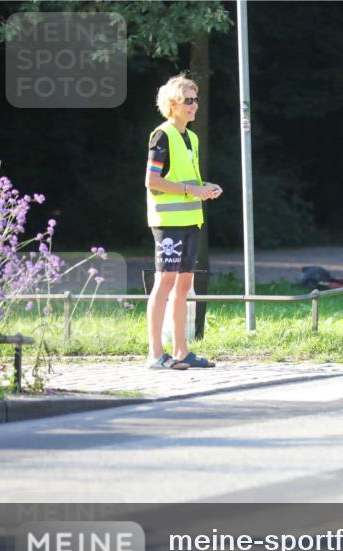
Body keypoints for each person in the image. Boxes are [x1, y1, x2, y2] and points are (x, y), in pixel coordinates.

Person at [144, 74, 221, 370]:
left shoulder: (193, 137)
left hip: (191, 220)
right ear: (173, 104)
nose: (195, 105)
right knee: (164, 282)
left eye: (196, 99)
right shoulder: (161, 135)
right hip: (168, 222)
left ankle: (181, 351)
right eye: (189, 100)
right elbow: (152, 181)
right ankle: (155, 354)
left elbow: (189, 179)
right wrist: (193, 190)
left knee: (184, 284)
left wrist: (207, 187)